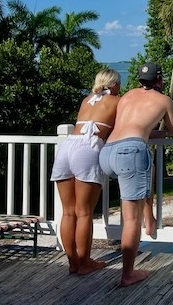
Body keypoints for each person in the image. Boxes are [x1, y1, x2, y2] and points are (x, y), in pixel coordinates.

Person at [99, 62, 173, 287]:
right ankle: (128, 274)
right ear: (160, 80)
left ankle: (149, 216)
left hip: (108, 152)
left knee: (147, 171)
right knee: (130, 219)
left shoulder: (127, 96)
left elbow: (132, 127)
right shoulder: (164, 100)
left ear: (139, 80)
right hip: (130, 153)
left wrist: (155, 133)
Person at [50, 68, 121, 275]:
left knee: (68, 211)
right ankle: (85, 263)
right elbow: (123, 127)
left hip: (68, 145)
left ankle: (73, 263)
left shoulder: (86, 99)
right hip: (89, 147)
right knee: (84, 212)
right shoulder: (117, 101)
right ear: (115, 85)